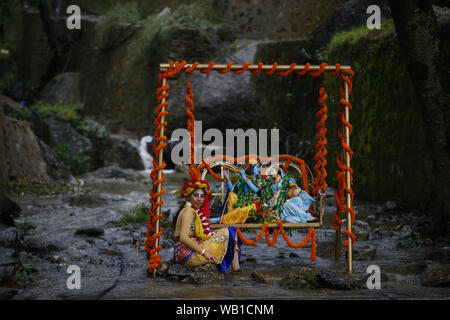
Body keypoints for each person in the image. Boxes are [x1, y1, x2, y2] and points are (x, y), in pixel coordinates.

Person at [173, 177, 241, 272]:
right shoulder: (189, 211)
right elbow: (183, 238)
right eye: (195, 195)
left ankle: (234, 269)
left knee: (226, 232)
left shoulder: (191, 210)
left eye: (202, 196)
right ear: (188, 197)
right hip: (189, 254)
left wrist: (212, 233)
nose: (199, 199)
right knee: (231, 231)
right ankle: (236, 270)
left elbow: (195, 232)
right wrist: (205, 253)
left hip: (184, 251)